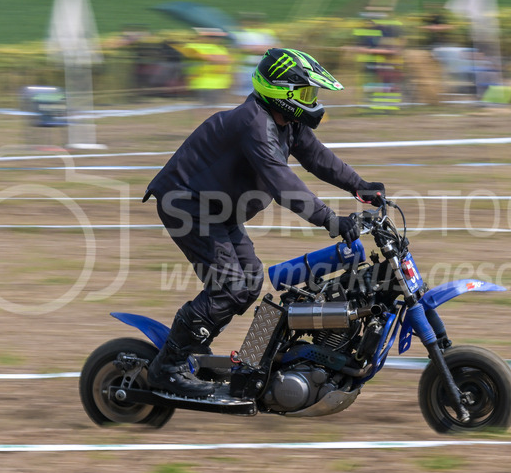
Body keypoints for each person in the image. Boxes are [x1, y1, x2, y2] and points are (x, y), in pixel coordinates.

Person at [142, 47, 387, 397]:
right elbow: (283, 183)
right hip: (188, 206)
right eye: (305, 93)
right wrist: (331, 220)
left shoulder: (286, 122)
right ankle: (169, 366)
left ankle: (197, 350)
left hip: (216, 210)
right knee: (228, 287)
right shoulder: (254, 125)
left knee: (250, 281)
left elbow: (318, 158)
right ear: (281, 92)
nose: (312, 100)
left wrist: (359, 186)